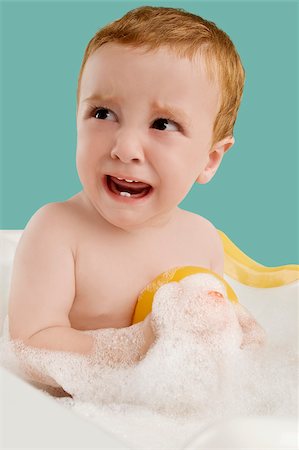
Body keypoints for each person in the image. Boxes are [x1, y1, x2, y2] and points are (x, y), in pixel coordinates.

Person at [7, 6, 263, 384]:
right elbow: (29, 350)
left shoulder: (202, 238)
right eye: (103, 113)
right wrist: (135, 345)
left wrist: (243, 333)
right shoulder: (57, 231)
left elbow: (215, 325)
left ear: (209, 160)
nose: (125, 148)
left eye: (162, 124)